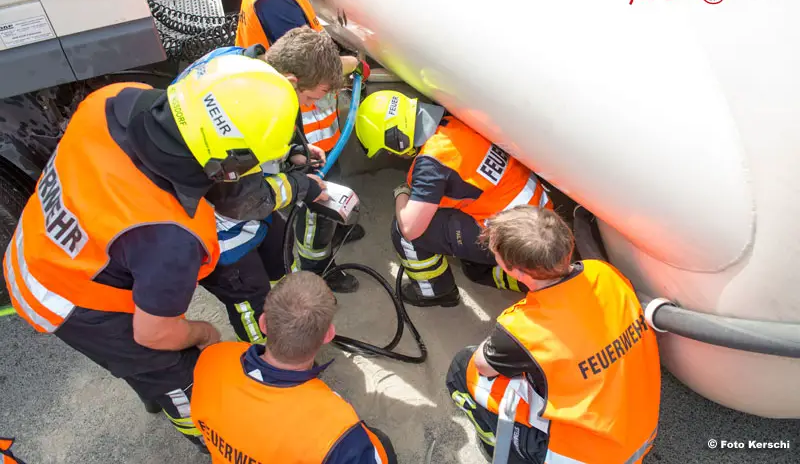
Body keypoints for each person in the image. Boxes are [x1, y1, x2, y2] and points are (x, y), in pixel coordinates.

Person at [2, 54, 329, 451]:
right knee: (173, 371)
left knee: (150, 355)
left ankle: (148, 385)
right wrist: (203, 333)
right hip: (63, 298)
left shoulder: (115, 100)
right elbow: (153, 332)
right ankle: (204, 433)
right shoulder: (171, 236)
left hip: (39, 240)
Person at [446, 206, 661, 463]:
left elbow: (483, 365)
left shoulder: (522, 328)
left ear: (516, 271)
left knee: (462, 369)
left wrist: (503, 341)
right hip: (639, 438)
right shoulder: (605, 273)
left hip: (581, 458)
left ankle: (503, 448)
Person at [174, 27, 347, 344]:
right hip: (220, 233)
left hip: (254, 213)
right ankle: (269, 356)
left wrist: (293, 152)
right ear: (290, 81)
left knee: (282, 263)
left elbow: (254, 155)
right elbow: (244, 200)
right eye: (310, 98)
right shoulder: (245, 109)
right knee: (251, 302)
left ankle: (289, 328)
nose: (308, 106)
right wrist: (301, 186)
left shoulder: (236, 65)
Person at [235, 0, 370, 293]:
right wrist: (351, 63)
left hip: (293, 110)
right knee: (315, 190)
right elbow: (311, 67)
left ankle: (331, 225)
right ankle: (318, 268)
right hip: (296, 119)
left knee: (325, 182)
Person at [354, 91, 553, 307]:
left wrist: (401, 193)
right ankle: (525, 277)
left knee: (402, 230)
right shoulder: (455, 123)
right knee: (473, 269)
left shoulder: (432, 163)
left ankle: (435, 291)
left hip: (513, 237)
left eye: (388, 151)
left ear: (396, 139)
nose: (392, 155)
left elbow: (411, 228)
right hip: (540, 223)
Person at [191, 271, 397, 463]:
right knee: (381, 442)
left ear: (263, 323)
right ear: (328, 335)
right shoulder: (336, 428)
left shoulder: (213, 358)